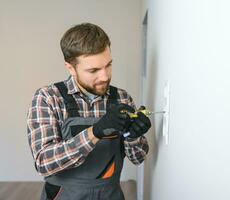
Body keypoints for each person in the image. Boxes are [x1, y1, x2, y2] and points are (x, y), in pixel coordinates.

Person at [27, 22, 151, 200]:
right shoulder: (48, 98)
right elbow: (44, 163)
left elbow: (138, 158)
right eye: (93, 70)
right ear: (71, 68)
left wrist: (133, 135)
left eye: (108, 65)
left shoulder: (122, 98)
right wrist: (95, 131)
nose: (105, 76)